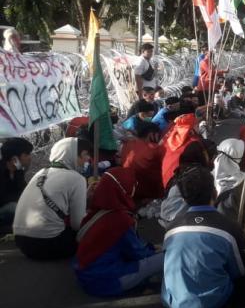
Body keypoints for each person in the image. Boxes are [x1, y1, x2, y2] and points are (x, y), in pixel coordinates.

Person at [162, 165, 245, 308]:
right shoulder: (229, 227)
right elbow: (239, 272)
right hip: (214, 303)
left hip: (173, 303)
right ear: (215, 193)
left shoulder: (171, 228)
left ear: (183, 198)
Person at [73, 168, 163, 296]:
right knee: (168, 256)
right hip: (106, 280)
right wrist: (156, 250)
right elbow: (138, 253)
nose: (134, 186)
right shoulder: (120, 219)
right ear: (123, 188)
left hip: (86, 275)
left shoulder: (96, 210)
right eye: (132, 184)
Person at [13, 138, 92, 260]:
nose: (88, 159)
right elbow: (77, 224)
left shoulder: (41, 173)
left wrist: (84, 195)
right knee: (95, 230)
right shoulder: (77, 179)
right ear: (73, 155)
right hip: (48, 244)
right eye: (85, 154)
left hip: (21, 243)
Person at [121, 122, 164, 202]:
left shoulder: (127, 144)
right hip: (151, 193)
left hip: (129, 189)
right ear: (151, 134)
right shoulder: (155, 149)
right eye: (159, 135)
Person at [160, 114, 202, 187]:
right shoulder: (193, 143)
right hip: (175, 181)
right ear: (191, 128)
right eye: (196, 124)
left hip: (162, 178)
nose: (198, 126)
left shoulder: (170, 138)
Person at [0, 138, 34, 225]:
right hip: (5, 208)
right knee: (16, 208)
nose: (30, 157)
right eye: (27, 154)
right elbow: (3, 199)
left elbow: (24, 190)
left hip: (13, 204)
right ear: (14, 159)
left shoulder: (18, 171)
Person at [211, 138, 245, 207]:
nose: (218, 158)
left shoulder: (243, 183)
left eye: (221, 154)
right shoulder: (244, 180)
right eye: (218, 153)